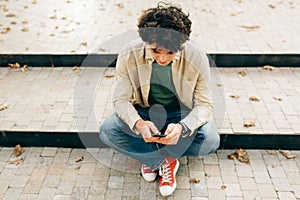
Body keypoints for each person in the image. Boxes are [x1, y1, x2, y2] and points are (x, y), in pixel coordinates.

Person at [99, 2, 220, 197]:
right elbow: (120, 100)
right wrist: (138, 123)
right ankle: (162, 161)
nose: (162, 59)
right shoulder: (129, 54)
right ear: (146, 42)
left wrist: (183, 127)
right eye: (156, 51)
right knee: (108, 131)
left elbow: (205, 104)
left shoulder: (197, 56)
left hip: (181, 112)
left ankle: (148, 152)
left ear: (181, 45)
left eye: (170, 53)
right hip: (144, 111)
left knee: (210, 140)